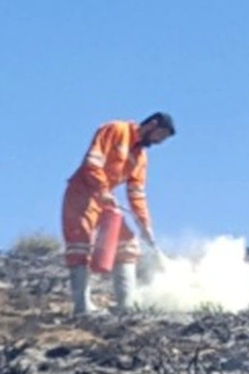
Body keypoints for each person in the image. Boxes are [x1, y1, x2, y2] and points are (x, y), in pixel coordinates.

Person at [61, 112, 175, 315]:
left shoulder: (140, 157)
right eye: (161, 136)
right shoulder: (115, 129)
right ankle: (82, 307)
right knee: (80, 246)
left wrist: (144, 225)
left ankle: (126, 305)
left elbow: (136, 193)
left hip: (105, 200)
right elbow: (92, 163)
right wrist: (102, 190)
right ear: (152, 125)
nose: (159, 142)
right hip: (81, 194)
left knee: (128, 243)